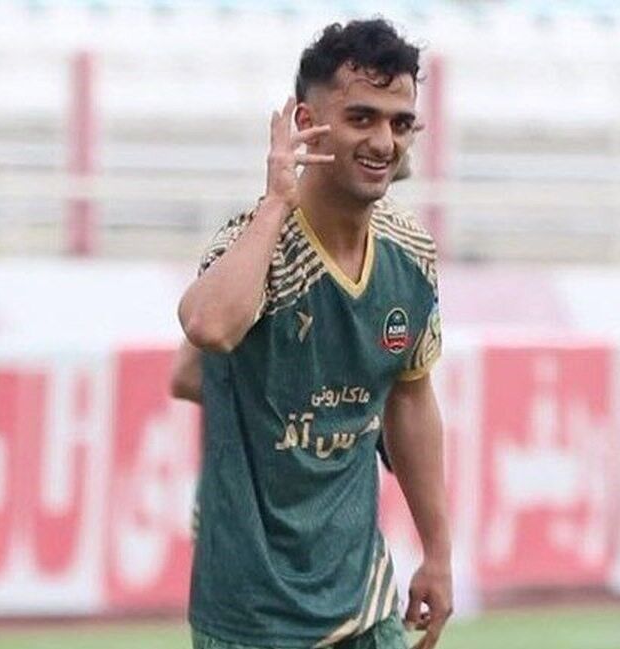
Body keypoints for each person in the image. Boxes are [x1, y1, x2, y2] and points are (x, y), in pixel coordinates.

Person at [173, 19, 451, 649]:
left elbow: (411, 399)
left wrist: (438, 553)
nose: (383, 141)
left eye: (400, 123)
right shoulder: (257, 243)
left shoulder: (410, 250)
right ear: (307, 122)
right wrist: (278, 201)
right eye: (361, 118)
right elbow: (209, 328)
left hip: (362, 596)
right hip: (249, 609)